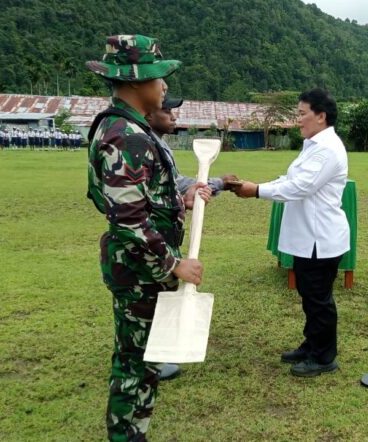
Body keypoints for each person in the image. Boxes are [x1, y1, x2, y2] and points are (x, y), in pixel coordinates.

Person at [86, 34, 210, 441]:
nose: (165, 86)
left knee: (143, 360)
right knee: (135, 364)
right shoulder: (126, 135)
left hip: (142, 269)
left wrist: (180, 198)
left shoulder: (130, 129)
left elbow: (140, 199)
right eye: (159, 78)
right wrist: (175, 263)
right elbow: (128, 218)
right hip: (140, 273)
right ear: (137, 82)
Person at [234, 88, 349, 377]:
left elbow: (300, 187)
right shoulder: (313, 145)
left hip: (319, 239)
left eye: (301, 114)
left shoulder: (326, 148)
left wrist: (257, 191)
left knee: (318, 298)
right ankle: (312, 345)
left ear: (320, 116)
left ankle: (324, 358)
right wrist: (260, 184)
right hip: (308, 238)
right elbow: (293, 179)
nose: (297, 120)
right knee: (309, 295)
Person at [143, 96, 239, 381]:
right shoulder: (139, 143)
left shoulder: (158, 143)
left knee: (154, 299)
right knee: (144, 302)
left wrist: (205, 188)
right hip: (150, 244)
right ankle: (144, 366)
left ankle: (152, 360)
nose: (173, 116)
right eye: (167, 111)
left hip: (162, 241)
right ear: (148, 115)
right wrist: (185, 198)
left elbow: (176, 185)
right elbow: (138, 206)